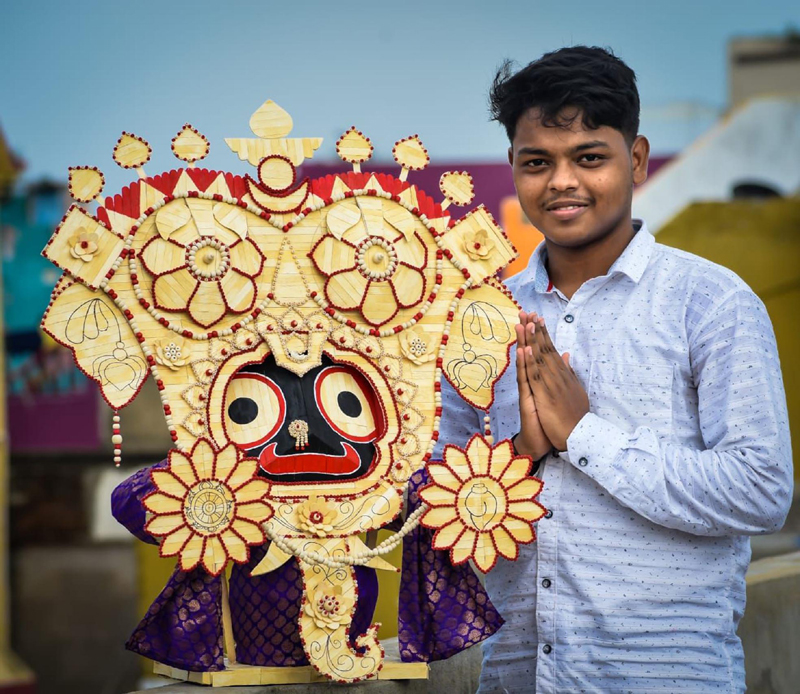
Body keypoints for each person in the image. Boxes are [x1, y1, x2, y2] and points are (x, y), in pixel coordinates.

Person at [433, 45, 793, 693]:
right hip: (518, 677)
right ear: (514, 166)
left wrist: (583, 436)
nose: (562, 181)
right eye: (537, 161)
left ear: (636, 158)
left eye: (589, 157)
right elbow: (448, 510)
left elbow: (761, 490)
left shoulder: (709, 301)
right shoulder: (483, 319)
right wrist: (524, 453)